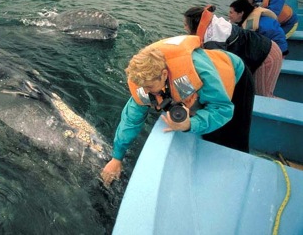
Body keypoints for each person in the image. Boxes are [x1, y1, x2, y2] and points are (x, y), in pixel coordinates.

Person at [100, 35, 254, 186]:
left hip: (234, 75)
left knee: (233, 134)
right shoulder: (144, 82)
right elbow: (131, 120)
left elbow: (222, 109)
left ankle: (238, 179)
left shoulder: (199, 71)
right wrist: (117, 158)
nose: (145, 92)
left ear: (164, 74)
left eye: (150, 87)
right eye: (142, 87)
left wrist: (190, 124)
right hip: (193, 84)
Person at [184, 5, 282, 97]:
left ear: (195, 25)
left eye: (185, 25)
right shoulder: (213, 24)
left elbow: (216, 73)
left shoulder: (214, 41)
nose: (184, 28)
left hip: (268, 55)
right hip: (257, 49)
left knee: (263, 97)